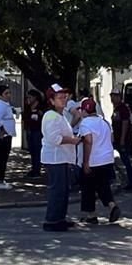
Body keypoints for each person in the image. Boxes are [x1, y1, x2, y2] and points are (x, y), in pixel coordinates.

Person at [42, 83, 79, 232]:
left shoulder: (60, 115)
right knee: (57, 190)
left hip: (62, 158)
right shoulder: (51, 116)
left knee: (63, 190)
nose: (63, 100)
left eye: (65, 97)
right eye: (59, 97)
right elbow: (54, 138)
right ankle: (52, 220)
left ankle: (60, 218)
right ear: (51, 100)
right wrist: (72, 140)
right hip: (55, 158)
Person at [76, 98, 121, 224]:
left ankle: (91, 215)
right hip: (106, 159)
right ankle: (112, 205)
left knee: (88, 188)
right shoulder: (104, 122)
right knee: (103, 186)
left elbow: (88, 141)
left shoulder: (85, 124)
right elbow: (111, 138)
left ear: (84, 110)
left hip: (93, 160)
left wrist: (85, 162)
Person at [110, 91, 132, 191]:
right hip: (117, 139)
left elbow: (125, 124)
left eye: (114, 96)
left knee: (126, 161)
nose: (112, 99)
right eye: (111, 96)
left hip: (123, 140)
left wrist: (122, 140)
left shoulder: (123, 108)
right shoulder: (116, 108)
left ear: (119, 97)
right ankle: (128, 180)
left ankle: (131, 181)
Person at [22, 90, 44, 177]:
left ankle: (37, 170)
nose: (29, 99)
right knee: (32, 150)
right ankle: (33, 168)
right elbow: (25, 117)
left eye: (30, 97)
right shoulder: (28, 106)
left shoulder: (41, 107)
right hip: (30, 130)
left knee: (37, 150)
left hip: (38, 131)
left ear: (35, 97)